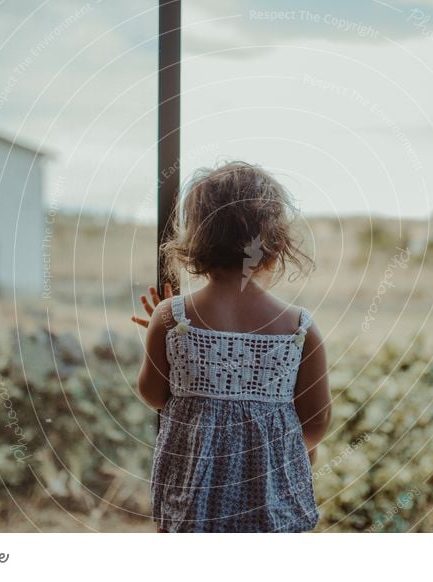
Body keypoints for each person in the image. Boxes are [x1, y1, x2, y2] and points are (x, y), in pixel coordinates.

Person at [131, 161, 331, 532]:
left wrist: (172, 351)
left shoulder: (172, 319)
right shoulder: (299, 328)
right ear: (274, 249)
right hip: (269, 501)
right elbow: (316, 421)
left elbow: (154, 393)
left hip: (193, 501)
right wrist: (277, 454)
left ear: (194, 245)